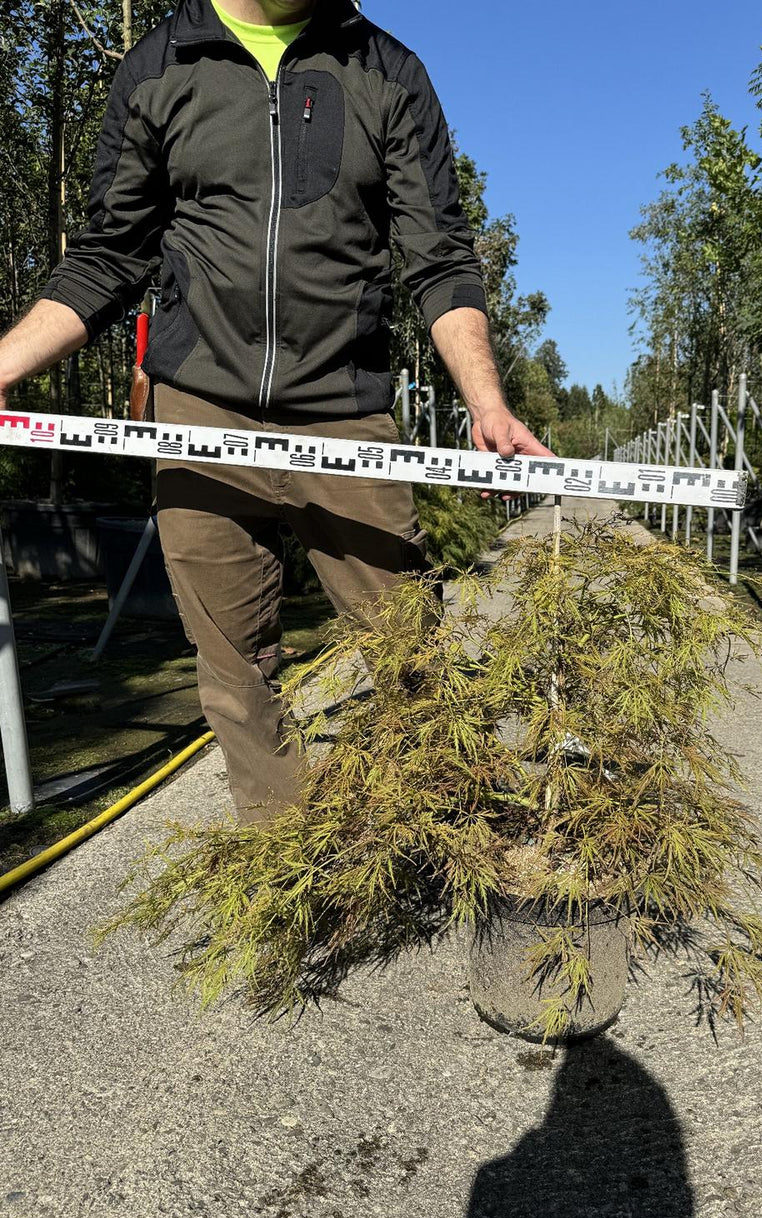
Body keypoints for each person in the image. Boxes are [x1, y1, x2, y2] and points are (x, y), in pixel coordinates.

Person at [0, 0, 553, 822]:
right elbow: (108, 258)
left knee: (413, 648)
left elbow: (438, 259)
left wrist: (489, 401)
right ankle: (293, 862)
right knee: (233, 672)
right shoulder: (160, 65)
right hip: (201, 415)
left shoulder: (390, 74)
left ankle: (454, 839)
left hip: (346, 412)